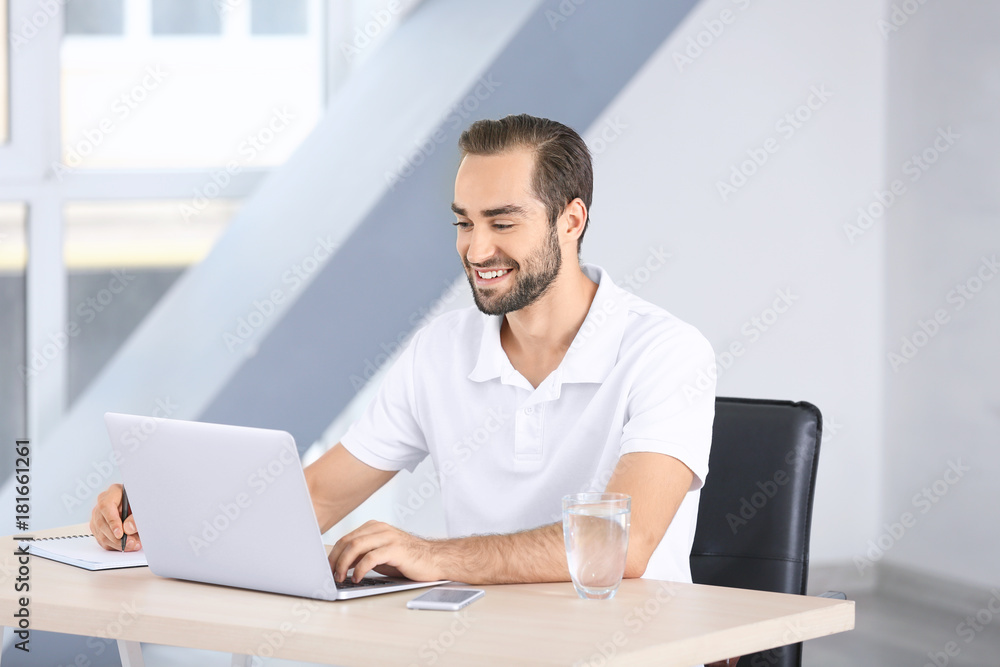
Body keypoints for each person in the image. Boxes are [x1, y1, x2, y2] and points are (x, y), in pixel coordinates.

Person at [90, 113, 717, 590]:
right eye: (463, 222)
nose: (476, 250)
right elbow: (312, 500)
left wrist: (435, 555)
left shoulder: (666, 352)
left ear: (571, 219)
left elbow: (622, 547)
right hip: (479, 645)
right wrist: (163, 514)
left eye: (503, 223)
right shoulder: (439, 352)